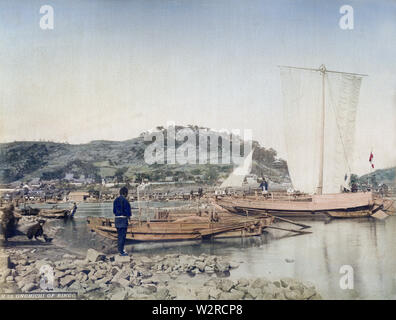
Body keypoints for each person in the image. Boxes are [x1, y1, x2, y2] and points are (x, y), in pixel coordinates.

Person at [113, 186, 131, 256]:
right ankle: (121, 251)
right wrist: (129, 220)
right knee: (123, 236)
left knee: (119, 235)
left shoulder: (115, 200)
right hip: (123, 220)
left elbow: (114, 211)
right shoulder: (125, 201)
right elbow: (128, 212)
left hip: (117, 219)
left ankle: (120, 250)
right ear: (125, 193)